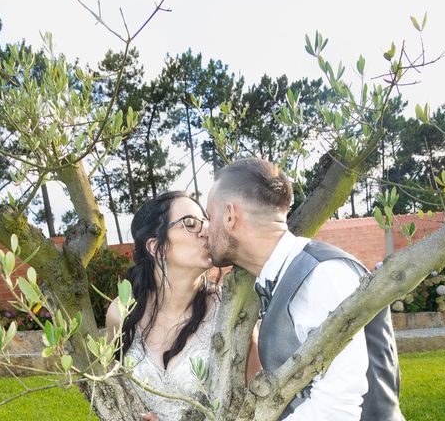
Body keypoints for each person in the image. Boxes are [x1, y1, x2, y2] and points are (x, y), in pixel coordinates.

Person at [205, 158, 404, 421]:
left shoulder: (321, 275)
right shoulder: (287, 275)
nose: (206, 230)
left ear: (230, 216)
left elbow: (338, 407)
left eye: (209, 217)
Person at [106, 191, 218, 421]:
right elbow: (111, 392)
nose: (205, 231)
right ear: (156, 247)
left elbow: (252, 407)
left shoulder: (226, 311)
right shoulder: (121, 313)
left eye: (206, 222)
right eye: (190, 224)